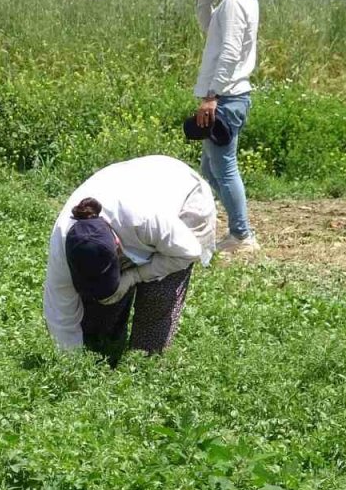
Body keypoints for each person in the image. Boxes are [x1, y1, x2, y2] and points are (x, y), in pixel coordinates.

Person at [43, 155, 216, 361]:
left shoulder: (145, 218)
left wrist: (134, 276)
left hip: (183, 197)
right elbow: (60, 313)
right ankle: (106, 347)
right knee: (102, 304)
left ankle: (146, 361)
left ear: (117, 246)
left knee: (158, 294)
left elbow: (188, 252)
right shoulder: (62, 245)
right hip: (131, 196)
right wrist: (70, 362)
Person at [195, 0, 260, 253]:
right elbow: (210, 30)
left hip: (226, 96)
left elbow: (231, 51)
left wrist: (213, 94)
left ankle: (241, 235)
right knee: (211, 168)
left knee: (223, 167)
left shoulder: (234, 1)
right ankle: (239, 227)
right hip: (229, 95)